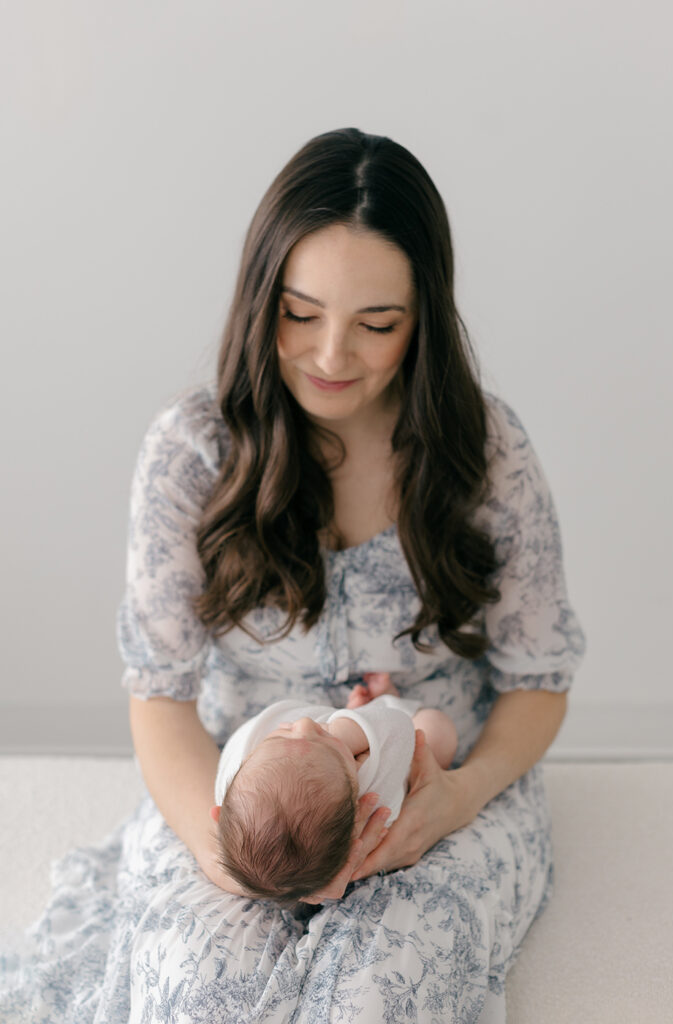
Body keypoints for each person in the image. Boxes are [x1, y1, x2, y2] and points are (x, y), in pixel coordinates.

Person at [0, 127, 585, 1023]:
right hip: (239, 800)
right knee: (200, 991)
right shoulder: (193, 452)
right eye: (300, 313)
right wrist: (227, 851)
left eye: (377, 325)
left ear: (423, 319)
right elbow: (159, 698)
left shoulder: (485, 450)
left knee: (378, 995)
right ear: (259, 296)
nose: (331, 356)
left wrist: (456, 798)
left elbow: (539, 680)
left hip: (442, 786)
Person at [211, 671, 459, 903]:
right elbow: (398, 726)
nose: (304, 723)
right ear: (355, 806)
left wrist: (330, 745)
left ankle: (354, 719)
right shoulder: (372, 795)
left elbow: (240, 746)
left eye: (278, 737)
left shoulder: (237, 771)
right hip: (396, 763)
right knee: (436, 730)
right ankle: (378, 705)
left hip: (320, 750)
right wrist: (343, 734)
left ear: (219, 815)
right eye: (324, 739)